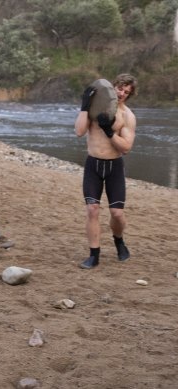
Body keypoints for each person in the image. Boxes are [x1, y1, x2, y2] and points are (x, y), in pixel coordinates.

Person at [74, 74, 137, 269]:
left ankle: (119, 240)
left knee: (117, 213)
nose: (122, 94)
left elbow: (126, 147)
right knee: (92, 209)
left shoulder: (127, 116)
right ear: (113, 86)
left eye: (127, 92)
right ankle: (94, 255)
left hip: (114, 167)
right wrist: (85, 106)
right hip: (93, 164)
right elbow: (79, 131)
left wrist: (109, 131)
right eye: (120, 88)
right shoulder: (95, 107)